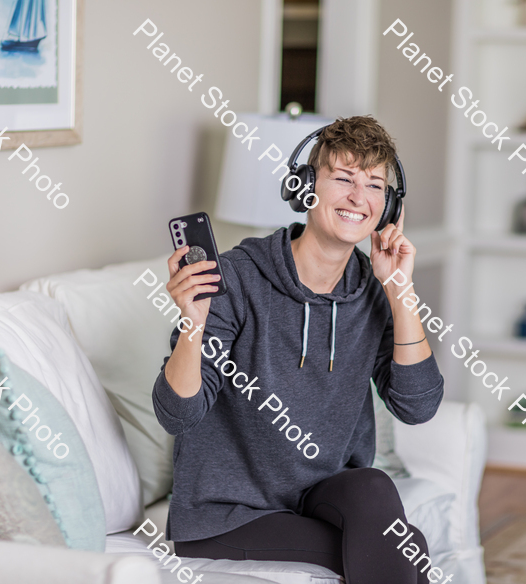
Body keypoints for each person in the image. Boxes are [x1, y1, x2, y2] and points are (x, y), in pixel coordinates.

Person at [152, 115, 445, 584]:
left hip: (320, 493)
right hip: (229, 511)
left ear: (388, 206)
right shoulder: (236, 279)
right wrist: (194, 321)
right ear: (304, 188)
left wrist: (399, 291)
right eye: (343, 179)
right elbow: (177, 414)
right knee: (406, 551)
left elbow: (418, 405)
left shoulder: (373, 288)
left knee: (373, 485)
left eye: (374, 185)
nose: (358, 198)